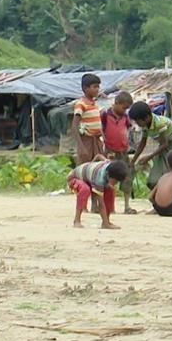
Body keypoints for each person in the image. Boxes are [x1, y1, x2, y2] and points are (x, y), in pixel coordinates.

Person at [130, 101, 172, 190]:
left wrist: (148, 157)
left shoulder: (159, 124)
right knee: (153, 180)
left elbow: (165, 144)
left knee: (171, 169)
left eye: (137, 121)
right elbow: (142, 144)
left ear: (146, 118)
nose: (137, 123)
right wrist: (133, 161)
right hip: (162, 145)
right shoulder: (145, 126)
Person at [72, 73, 104, 212]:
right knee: (84, 173)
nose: (97, 89)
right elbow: (74, 126)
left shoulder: (95, 105)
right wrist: (81, 145)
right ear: (85, 88)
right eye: (94, 87)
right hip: (86, 141)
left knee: (96, 172)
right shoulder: (81, 104)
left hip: (96, 141)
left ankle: (95, 204)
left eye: (98, 87)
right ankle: (82, 205)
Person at [100, 91, 137, 214]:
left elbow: (128, 130)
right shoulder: (105, 115)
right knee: (109, 178)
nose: (125, 110)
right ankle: (110, 206)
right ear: (116, 103)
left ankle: (127, 206)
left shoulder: (125, 117)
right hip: (110, 151)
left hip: (123, 151)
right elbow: (101, 131)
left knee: (126, 177)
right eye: (123, 107)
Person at [68, 156, 128, 230]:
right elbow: (100, 203)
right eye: (115, 181)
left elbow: (99, 156)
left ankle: (106, 221)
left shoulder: (110, 166)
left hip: (89, 179)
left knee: (110, 190)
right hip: (73, 179)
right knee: (85, 190)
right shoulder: (99, 178)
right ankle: (77, 220)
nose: (115, 183)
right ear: (109, 176)